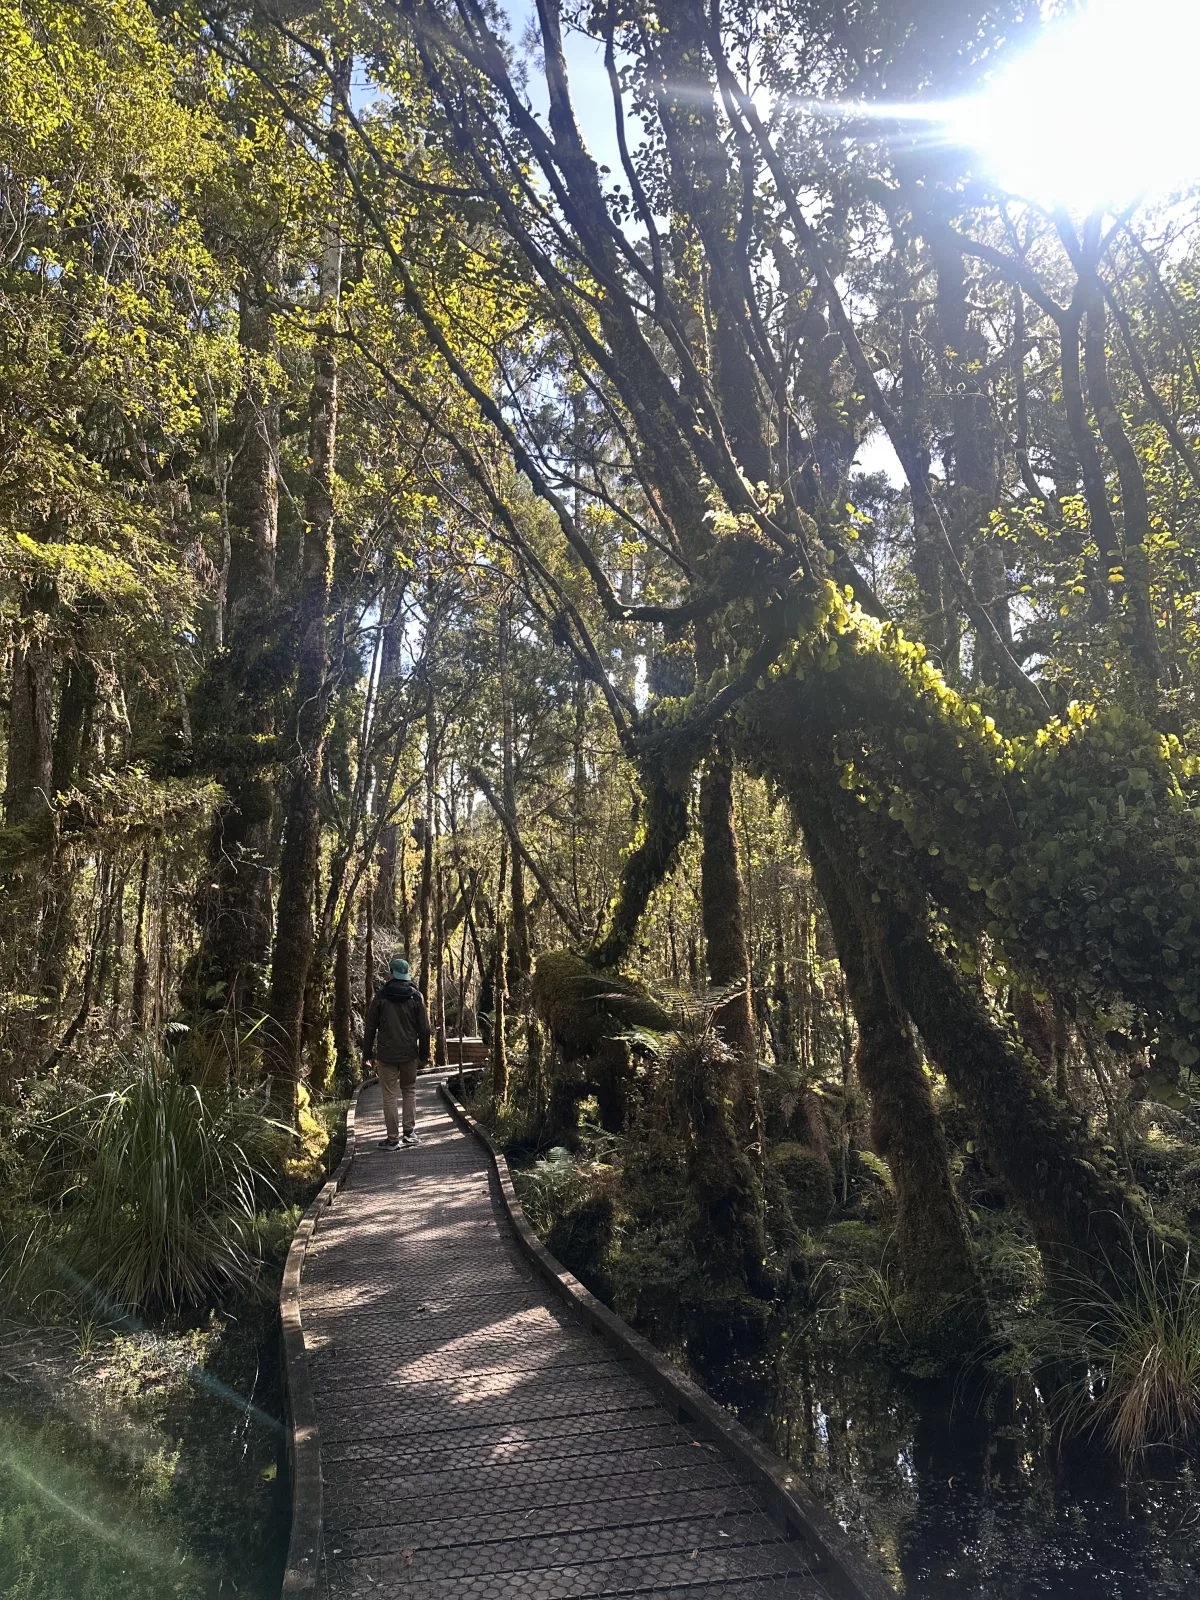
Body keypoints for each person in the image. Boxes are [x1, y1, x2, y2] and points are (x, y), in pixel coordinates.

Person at [363, 955, 430, 1148]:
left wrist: (367, 1054)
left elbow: (370, 1027)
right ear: (406, 974)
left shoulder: (381, 996)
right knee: (409, 1090)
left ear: (391, 973)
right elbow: (424, 1029)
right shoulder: (416, 996)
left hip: (386, 1055)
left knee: (389, 1095)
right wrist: (424, 1056)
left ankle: (392, 1139)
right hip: (409, 1054)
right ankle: (410, 1134)